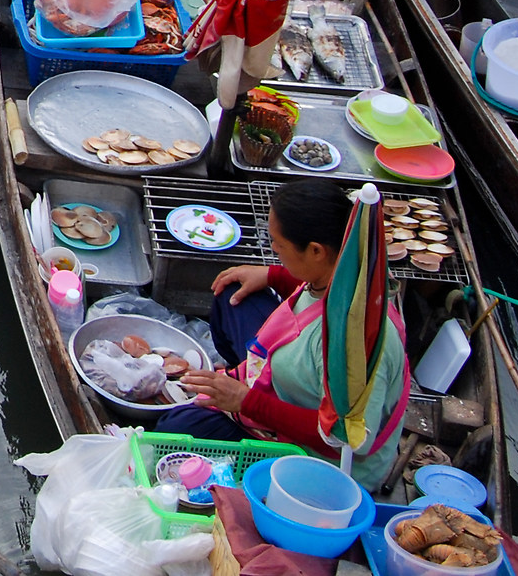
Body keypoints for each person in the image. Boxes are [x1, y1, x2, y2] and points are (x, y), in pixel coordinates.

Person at [159, 180, 411, 488]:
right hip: (289, 376)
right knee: (235, 292)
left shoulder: (351, 345)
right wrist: (272, 275)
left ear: (316, 251)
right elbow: (313, 294)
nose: (275, 254)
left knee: (174, 428)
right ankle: (247, 382)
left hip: (320, 463)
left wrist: (246, 401)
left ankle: (247, 404)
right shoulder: (349, 271)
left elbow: (348, 440)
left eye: (279, 248)